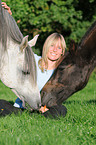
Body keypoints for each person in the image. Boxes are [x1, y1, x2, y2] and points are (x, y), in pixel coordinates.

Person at [2, 2, 67, 117]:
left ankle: (42, 114)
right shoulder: (33, 61)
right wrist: (8, 17)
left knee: (61, 110)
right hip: (21, 107)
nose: (55, 50)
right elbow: (19, 45)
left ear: (62, 51)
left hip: (45, 107)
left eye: (59, 47)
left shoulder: (60, 73)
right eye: (52, 45)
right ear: (46, 47)